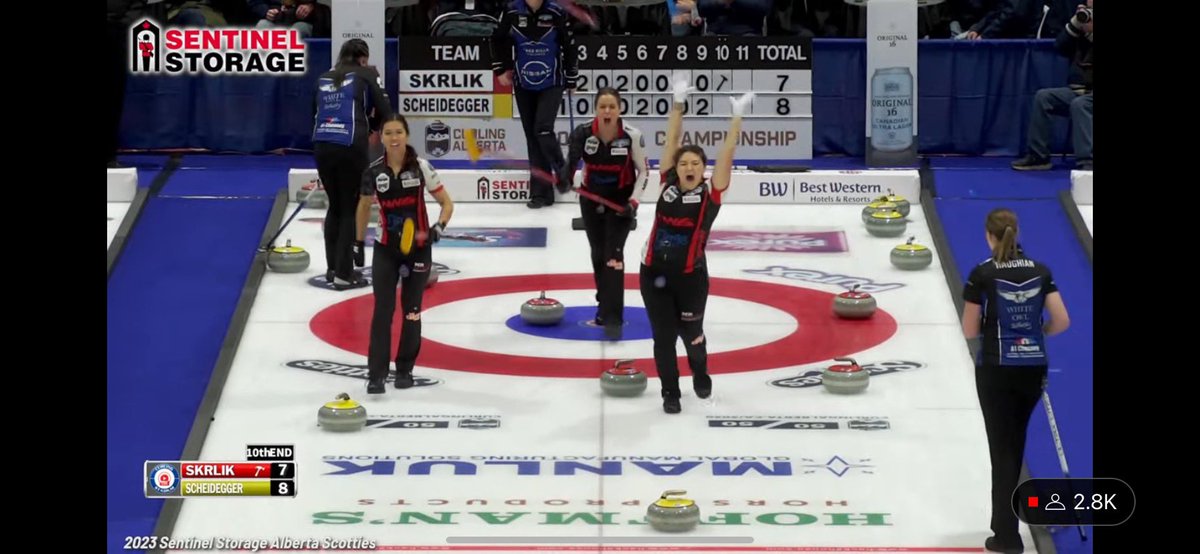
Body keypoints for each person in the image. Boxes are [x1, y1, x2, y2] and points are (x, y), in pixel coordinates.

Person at [639, 74, 753, 414]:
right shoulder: (667, 183)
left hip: (691, 278)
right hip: (653, 274)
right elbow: (672, 139)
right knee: (663, 338)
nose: (688, 166)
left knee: (692, 335)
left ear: (703, 169)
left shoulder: (710, 195)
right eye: (683, 162)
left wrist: (736, 118)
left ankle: (700, 372)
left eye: (695, 163)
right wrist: (678, 103)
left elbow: (726, 154)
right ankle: (670, 393)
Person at [961, 208, 1071, 554]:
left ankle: (1006, 535)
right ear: (1016, 232)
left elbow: (969, 329)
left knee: (1002, 450)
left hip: (997, 368)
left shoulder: (982, 273)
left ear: (988, 236)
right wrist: (1038, 332)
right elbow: (1062, 320)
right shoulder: (1040, 270)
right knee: (1015, 442)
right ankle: (1009, 526)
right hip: (1032, 367)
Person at [356, 114, 454, 394]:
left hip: (418, 251)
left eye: (398, 132)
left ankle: (405, 369)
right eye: (388, 133)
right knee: (382, 311)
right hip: (386, 249)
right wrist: (357, 242)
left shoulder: (421, 167)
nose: (394, 138)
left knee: (412, 311)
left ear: (407, 135)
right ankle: (376, 375)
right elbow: (363, 207)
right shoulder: (373, 171)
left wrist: (438, 228)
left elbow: (447, 204)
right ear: (382, 138)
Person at [559, 87, 650, 340]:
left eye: (612, 107)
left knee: (614, 255)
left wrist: (634, 202)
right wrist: (564, 179)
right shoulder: (582, 133)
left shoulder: (632, 136)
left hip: (621, 203)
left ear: (620, 109)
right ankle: (604, 302)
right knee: (599, 253)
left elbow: (644, 171)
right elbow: (571, 164)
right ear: (596, 110)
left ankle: (613, 317)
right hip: (590, 200)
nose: (607, 111)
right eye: (602, 107)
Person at [312, 38, 392, 290]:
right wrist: (374, 127)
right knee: (350, 207)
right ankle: (344, 274)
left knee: (334, 206)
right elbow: (386, 110)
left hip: (322, 143)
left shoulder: (324, 77)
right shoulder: (367, 74)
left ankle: (332, 268)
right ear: (363, 58)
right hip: (350, 144)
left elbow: (313, 111)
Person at [491, 0, 578, 209]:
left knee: (543, 129)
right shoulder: (512, 10)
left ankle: (562, 171)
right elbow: (496, 39)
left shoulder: (556, 11)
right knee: (532, 136)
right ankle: (541, 193)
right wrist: (500, 69)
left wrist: (572, 77)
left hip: (552, 81)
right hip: (523, 82)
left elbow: (570, 45)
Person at [1011, 0, 1092, 171]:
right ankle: (1038, 156)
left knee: (1080, 104)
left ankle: (1087, 162)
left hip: (1086, 98)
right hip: (1081, 91)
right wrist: (1075, 24)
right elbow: (1060, 46)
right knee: (1044, 97)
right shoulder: (1084, 25)